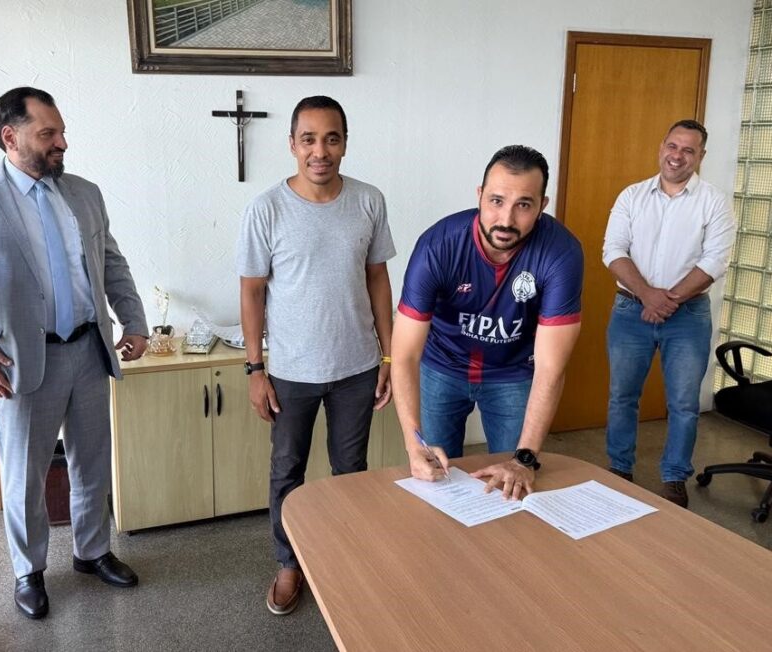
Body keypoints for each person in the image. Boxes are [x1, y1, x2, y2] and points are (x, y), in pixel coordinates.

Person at [0, 87, 149, 620]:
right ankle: (28, 570)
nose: (62, 142)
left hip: (87, 349)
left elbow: (111, 262)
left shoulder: (83, 192)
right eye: (47, 133)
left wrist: (135, 319)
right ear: (11, 136)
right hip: (19, 362)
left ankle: (92, 550)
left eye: (61, 131)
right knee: (25, 474)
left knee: (93, 461)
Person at [237, 95, 395, 616]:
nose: (320, 151)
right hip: (290, 373)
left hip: (357, 367)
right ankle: (289, 563)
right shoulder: (267, 209)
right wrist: (255, 369)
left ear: (345, 144)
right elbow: (252, 291)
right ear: (292, 145)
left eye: (331, 138)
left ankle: (344, 558)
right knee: (288, 471)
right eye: (309, 139)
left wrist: (390, 358)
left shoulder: (369, 201)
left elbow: (377, 278)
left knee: (351, 470)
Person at [392, 145, 583, 500]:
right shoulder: (439, 245)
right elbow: (403, 354)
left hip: (513, 374)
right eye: (496, 200)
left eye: (523, 204)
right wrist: (412, 444)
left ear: (542, 205)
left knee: (512, 485)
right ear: (479, 196)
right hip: (442, 367)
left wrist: (525, 458)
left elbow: (551, 367)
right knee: (433, 478)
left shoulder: (561, 253)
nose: (506, 219)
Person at [602, 119, 736, 508]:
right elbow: (613, 249)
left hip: (689, 316)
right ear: (662, 146)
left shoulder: (714, 201)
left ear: (701, 156)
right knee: (622, 396)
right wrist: (646, 295)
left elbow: (715, 261)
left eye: (688, 150)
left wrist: (668, 300)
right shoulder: (632, 196)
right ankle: (620, 469)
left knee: (683, 402)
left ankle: (675, 477)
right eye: (672, 146)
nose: (677, 156)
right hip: (631, 311)